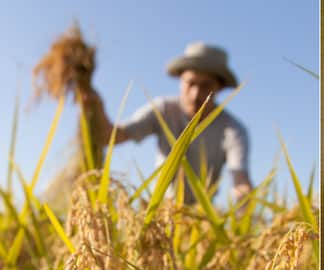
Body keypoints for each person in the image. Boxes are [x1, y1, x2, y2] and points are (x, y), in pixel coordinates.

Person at [83, 41, 252, 204]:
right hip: (162, 208)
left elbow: (240, 179)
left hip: (201, 216)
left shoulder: (233, 130)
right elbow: (112, 137)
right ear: (180, 80)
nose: (195, 94)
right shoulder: (163, 109)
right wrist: (95, 107)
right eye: (190, 83)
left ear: (219, 88)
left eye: (206, 86)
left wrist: (245, 205)